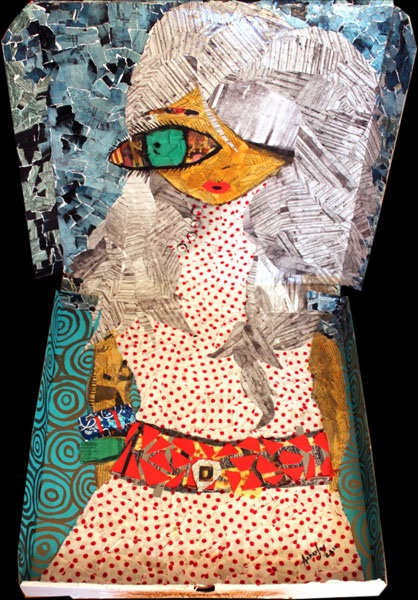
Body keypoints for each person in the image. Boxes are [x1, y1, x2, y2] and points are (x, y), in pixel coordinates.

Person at [41, 0, 380, 586]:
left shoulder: (302, 250)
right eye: (175, 140)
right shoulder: (136, 247)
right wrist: (104, 459)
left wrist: (327, 467)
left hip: (290, 508)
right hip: (145, 503)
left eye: (254, 128)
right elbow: (108, 366)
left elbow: (325, 367)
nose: (217, 161)